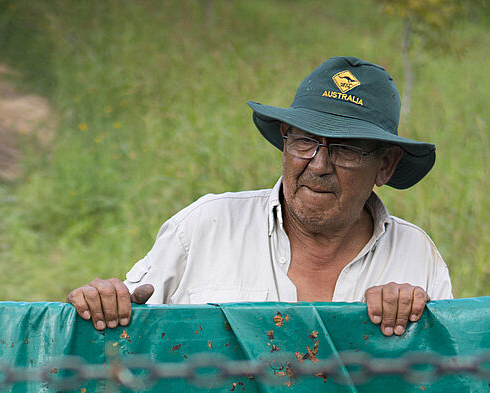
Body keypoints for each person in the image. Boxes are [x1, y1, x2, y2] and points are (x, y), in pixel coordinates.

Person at [67, 56, 452, 337]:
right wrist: (105, 303)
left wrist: (418, 321)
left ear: (386, 166)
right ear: (285, 141)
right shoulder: (206, 227)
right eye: (305, 141)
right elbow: (127, 332)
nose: (318, 165)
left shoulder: (415, 257)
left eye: (345, 149)